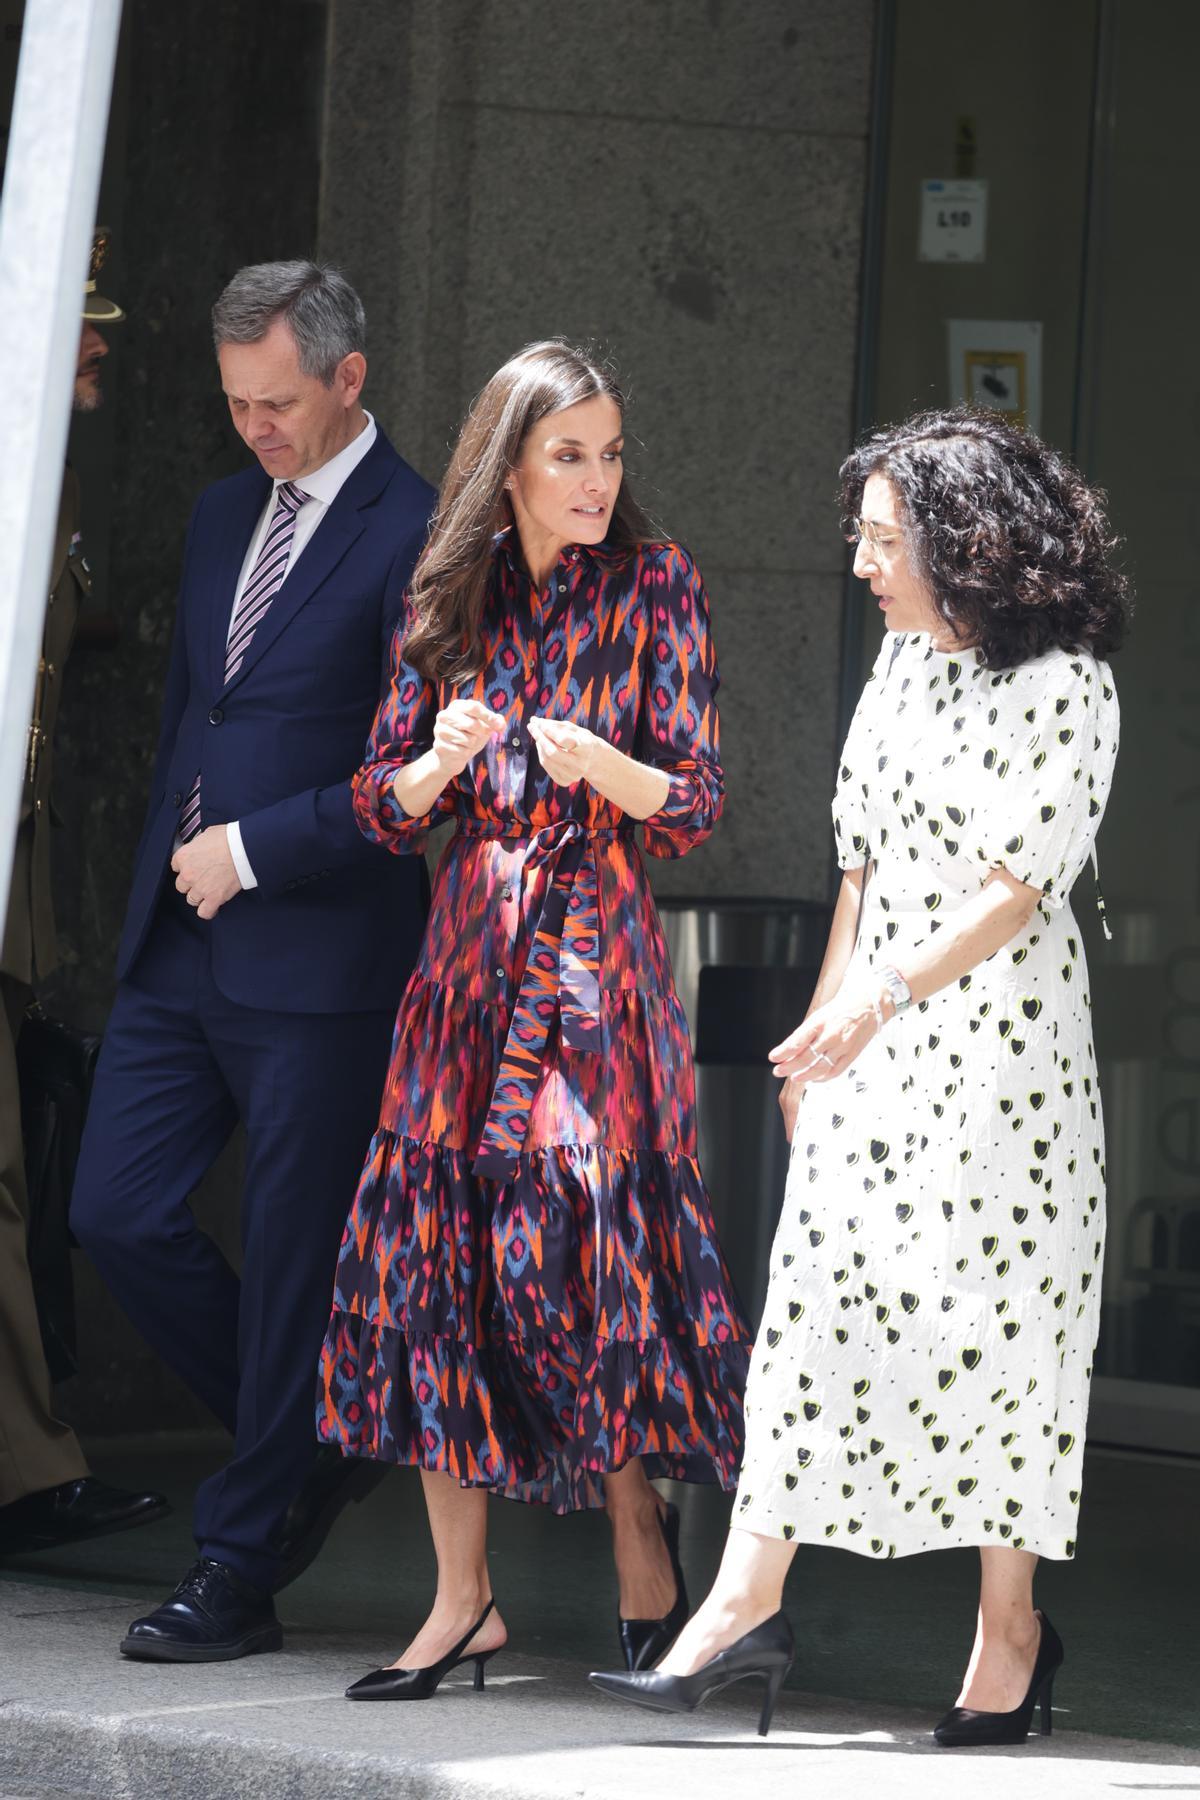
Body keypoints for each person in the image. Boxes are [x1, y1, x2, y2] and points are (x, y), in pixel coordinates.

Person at [590, 407, 1127, 1744]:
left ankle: (1010, 1635)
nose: (864, 565)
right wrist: (824, 1025)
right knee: (814, 1315)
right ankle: (741, 1604)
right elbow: (864, 864)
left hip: (1005, 1069)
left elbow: (1017, 888)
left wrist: (874, 1004)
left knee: (1007, 1339)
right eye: (862, 538)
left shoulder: (1069, 682)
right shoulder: (899, 662)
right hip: (874, 1049)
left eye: (886, 540)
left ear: (967, 544)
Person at [318, 340, 751, 1702]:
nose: (598, 480)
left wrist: (607, 767)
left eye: (611, 453)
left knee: (581, 1255)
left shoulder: (657, 585)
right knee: (437, 1258)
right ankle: (463, 1604)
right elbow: (381, 809)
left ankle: (639, 1544)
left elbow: (695, 800)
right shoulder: (449, 594)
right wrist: (432, 765)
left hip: (596, 967)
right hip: (467, 966)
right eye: (571, 455)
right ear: (508, 465)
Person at [68, 261, 435, 1660]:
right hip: (181, 942)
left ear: (350, 379)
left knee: (292, 1267)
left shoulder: (417, 532)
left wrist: (257, 849)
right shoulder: (225, 510)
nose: (254, 430)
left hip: (323, 957)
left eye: (276, 402)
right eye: (234, 404)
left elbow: (415, 775)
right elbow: (194, 715)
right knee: (116, 1212)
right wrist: (174, 864)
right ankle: (323, 1438)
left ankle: (238, 1565)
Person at [0, 231, 168, 1558]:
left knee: (10, 1179)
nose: (102, 344)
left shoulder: (36, 480)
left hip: (12, 894)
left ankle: (26, 1470)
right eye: (80, 323)